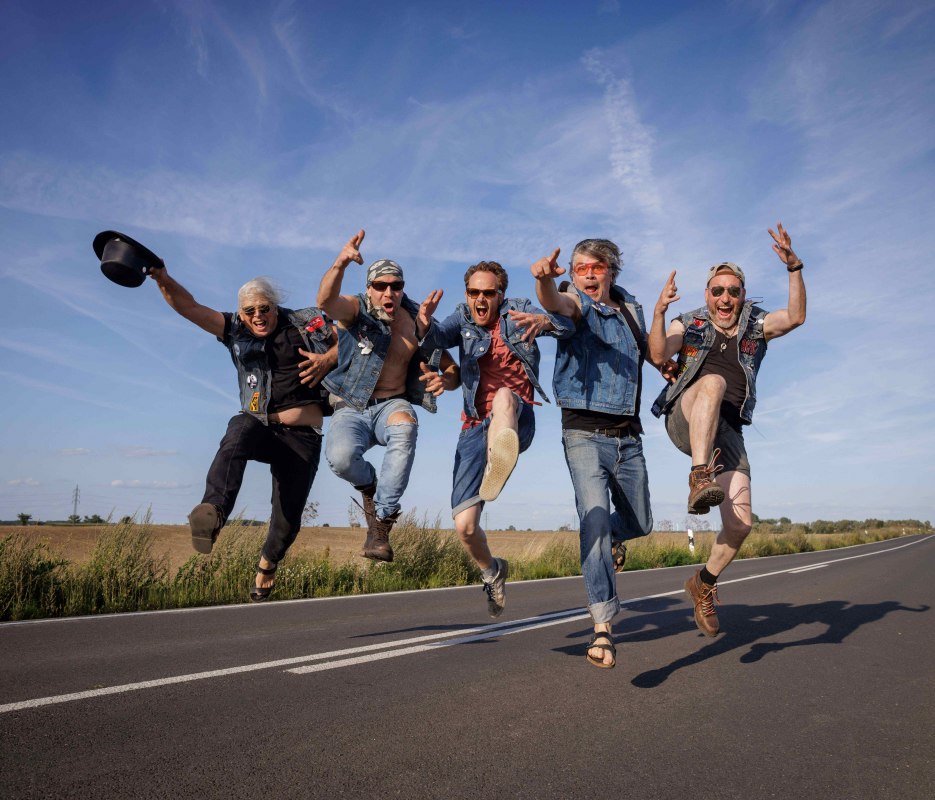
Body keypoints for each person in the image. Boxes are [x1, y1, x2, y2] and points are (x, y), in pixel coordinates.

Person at [648, 222, 807, 636]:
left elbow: (795, 317)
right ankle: (699, 476)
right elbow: (659, 353)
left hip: (728, 431)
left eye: (733, 291)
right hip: (685, 416)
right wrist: (660, 313)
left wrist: (794, 267)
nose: (725, 298)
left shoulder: (755, 326)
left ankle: (703, 582)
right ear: (707, 295)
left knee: (740, 524)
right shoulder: (689, 323)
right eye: (717, 290)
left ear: (742, 294)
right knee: (714, 382)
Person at [150, 266, 337, 602]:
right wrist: (162, 278)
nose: (258, 316)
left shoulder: (306, 322)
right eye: (249, 311)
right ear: (241, 313)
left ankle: (268, 563)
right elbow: (189, 307)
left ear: (275, 306)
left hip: (302, 436)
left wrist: (328, 359)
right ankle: (213, 511)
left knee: (287, 519)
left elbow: (354, 341)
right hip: (260, 425)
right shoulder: (235, 329)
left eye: (264, 308)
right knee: (238, 429)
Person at [418, 260, 572, 617]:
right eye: (474, 292)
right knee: (465, 526)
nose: (480, 299)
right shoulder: (462, 317)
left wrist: (545, 321)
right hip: (473, 426)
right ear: (467, 294)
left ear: (501, 295)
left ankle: (498, 461)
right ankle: (492, 570)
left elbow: (565, 326)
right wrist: (424, 321)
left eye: (488, 293)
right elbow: (435, 340)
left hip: (517, 417)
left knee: (503, 396)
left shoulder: (518, 311)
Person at [531, 239, 656, 669]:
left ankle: (615, 538)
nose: (587, 273)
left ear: (611, 271)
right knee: (595, 521)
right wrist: (544, 282)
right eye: (580, 267)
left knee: (641, 523)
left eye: (596, 267)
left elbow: (645, 354)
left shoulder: (631, 309)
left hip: (629, 436)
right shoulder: (574, 302)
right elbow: (559, 304)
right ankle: (603, 627)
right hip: (583, 433)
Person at [317, 230, 458, 562]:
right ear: (369, 288)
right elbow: (326, 302)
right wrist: (340, 264)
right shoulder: (356, 310)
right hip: (352, 404)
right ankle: (369, 486)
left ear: (402, 288)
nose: (388, 292)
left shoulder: (418, 321)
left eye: (395, 285)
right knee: (340, 459)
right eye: (380, 286)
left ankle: (381, 522)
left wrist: (444, 381)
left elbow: (453, 369)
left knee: (405, 426)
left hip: (393, 403)